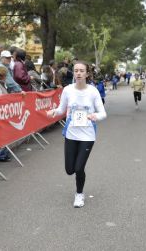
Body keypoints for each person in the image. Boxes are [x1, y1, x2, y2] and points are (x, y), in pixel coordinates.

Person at [46, 61, 107, 208]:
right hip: (71, 134)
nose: (78, 73)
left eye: (81, 70)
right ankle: (78, 181)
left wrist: (95, 116)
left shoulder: (93, 91)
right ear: (73, 73)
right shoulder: (67, 90)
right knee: (69, 170)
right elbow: (61, 110)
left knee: (79, 168)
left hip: (87, 135)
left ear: (87, 73)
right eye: (76, 70)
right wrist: (53, 112)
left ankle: (79, 194)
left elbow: (103, 113)